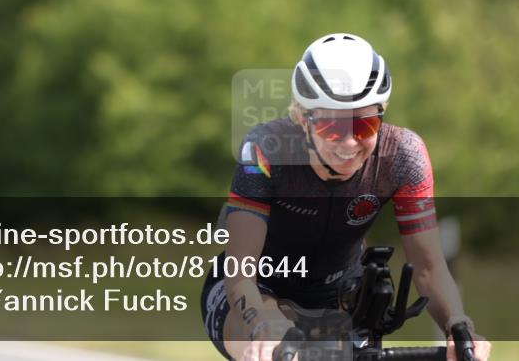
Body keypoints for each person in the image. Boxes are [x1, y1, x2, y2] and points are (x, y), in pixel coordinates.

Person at [201, 33, 491, 361]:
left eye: (365, 125)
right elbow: (240, 272)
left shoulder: (403, 156)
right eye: (332, 127)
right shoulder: (264, 152)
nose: (350, 143)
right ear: (301, 118)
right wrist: (263, 324)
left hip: (340, 295)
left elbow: (428, 267)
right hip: (256, 292)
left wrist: (458, 326)